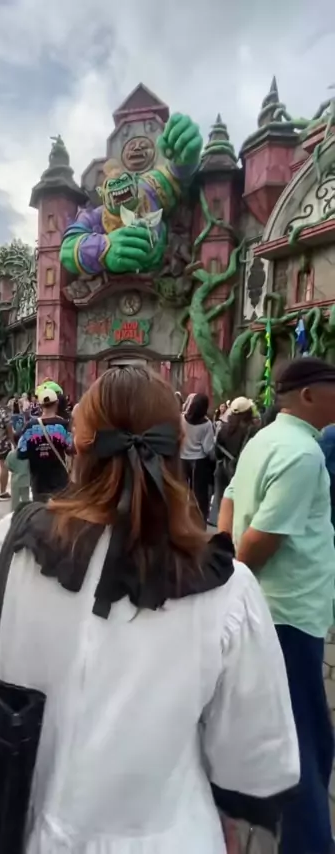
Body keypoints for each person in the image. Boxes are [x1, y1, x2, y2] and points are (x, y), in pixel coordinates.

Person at [0, 366, 299, 854]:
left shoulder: (15, 544)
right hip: (169, 838)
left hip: (14, 828)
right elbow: (254, 759)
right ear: (178, 445)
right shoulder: (228, 588)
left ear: (79, 444)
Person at [218, 357, 335, 854]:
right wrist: (232, 579)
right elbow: (263, 537)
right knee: (302, 737)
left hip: (276, 608)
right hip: (289, 613)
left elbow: (228, 498)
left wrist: (222, 556)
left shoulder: (265, 439)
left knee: (305, 730)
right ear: (308, 395)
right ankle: (309, 842)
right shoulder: (302, 453)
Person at [17, 385, 72, 502]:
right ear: (56, 403)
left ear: (40, 405)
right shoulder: (63, 425)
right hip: (59, 479)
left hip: (38, 480)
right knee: (60, 509)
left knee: (40, 509)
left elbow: (21, 453)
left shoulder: (30, 426)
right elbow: (71, 449)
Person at [211, 397, 257, 524]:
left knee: (222, 506)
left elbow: (217, 453)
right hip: (241, 472)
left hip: (222, 470)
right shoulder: (252, 430)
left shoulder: (224, 427)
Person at [180, 392, 215, 523]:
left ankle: (182, 519)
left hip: (182, 459)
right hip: (199, 462)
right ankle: (198, 521)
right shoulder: (206, 424)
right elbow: (208, 448)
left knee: (182, 491)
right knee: (199, 495)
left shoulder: (181, 418)